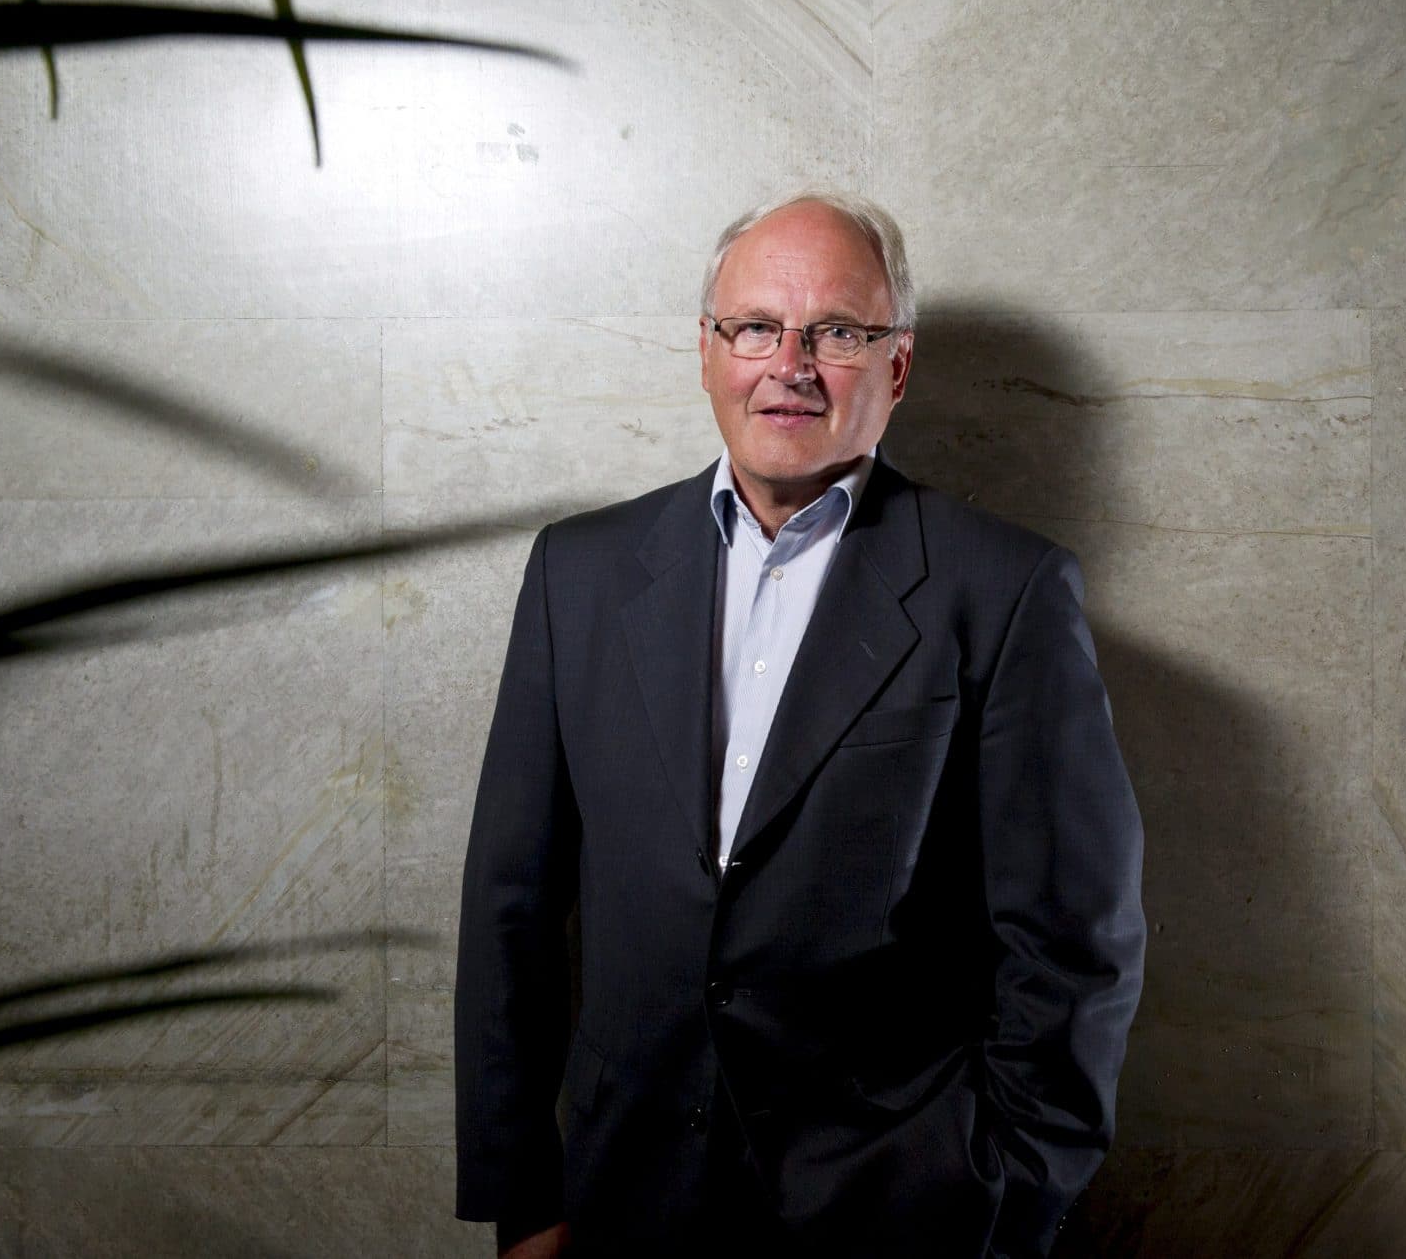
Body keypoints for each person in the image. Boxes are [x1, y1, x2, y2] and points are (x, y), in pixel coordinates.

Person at [454, 191, 1145, 1258]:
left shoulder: (1004, 592)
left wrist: (999, 1206)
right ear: (706, 351)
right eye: (755, 328)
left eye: (835, 333)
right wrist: (522, 1199)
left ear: (896, 366)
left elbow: (1070, 947)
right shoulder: (578, 574)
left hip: (896, 1216)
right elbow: (512, 907)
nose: (791, 365)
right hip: (621, 1199)